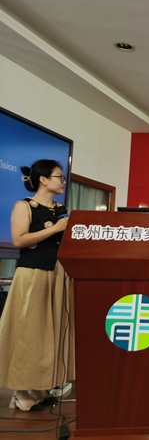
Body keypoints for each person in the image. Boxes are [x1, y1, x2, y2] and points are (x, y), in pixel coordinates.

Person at [0, 159, 75, 411]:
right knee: (27, 333)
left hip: (58, 274)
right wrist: (56, 228)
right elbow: (19, 240)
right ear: (43, 180)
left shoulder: (60, 208)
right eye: (58, 176)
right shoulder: (24, 206)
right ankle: (19, 391)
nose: (62, 181)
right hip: (33, 274)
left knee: (48, 333)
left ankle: (38, 385)